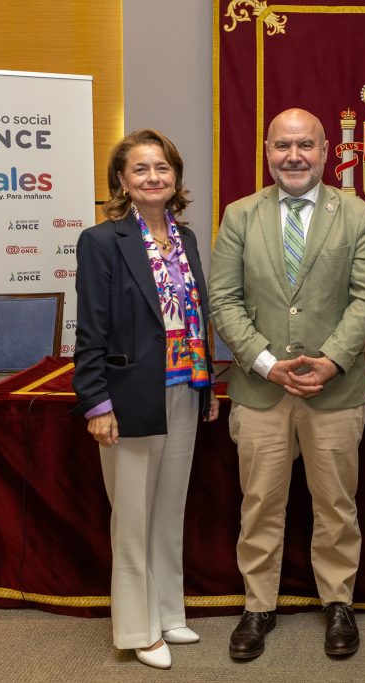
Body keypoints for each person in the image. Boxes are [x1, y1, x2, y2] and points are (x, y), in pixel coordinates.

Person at [209, 107, 365, 659]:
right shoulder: (239, 216)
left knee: (336, 504)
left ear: (326, 149)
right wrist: (265, 362)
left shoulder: (356, 214)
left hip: (333, 391)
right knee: (260, 503)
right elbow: (223, 299)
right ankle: (258, 607)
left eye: (305, 145)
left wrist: (331, 360)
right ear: (267, 152)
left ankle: (338, 603)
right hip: (261, 390)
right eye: (283, 146)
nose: (293, 156)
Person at [72, 129, 219, 670]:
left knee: (168, 509)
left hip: (185, 390)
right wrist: (97, 404)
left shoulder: (186, 237)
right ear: (122, 181)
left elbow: (196, 319)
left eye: (162, 167)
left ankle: (167, 610)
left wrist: (206, 386)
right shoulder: (102, 240)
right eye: (140, 169)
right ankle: (136, 628)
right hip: (130, 396)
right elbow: (91, 330)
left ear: (175, 177)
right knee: (131, 517)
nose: (153, 177)